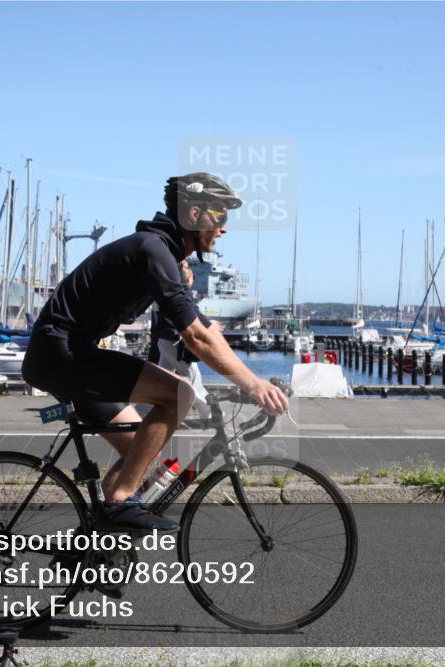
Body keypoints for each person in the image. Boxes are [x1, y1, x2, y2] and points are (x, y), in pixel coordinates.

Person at [22, 172, 288, 533]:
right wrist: (254, 385)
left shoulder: (163, 255)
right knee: (178, 394)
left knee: (141, 448)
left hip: (67, 353)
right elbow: (195, 337)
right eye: (220, 214)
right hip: (61, 354)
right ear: (194, 215)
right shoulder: (153, 251)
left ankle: (101, 539)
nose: (224, 227)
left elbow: (204, 326)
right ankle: (120, 502)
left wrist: (251, 379)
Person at [147, 260, 211, 424]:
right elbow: (186, 317)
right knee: (193, 378)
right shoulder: (179, 296)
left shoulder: (162, 294)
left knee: (159, 379)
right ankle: (210, 414)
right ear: (187, 279)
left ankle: (142, 410)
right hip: (174, 342)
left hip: (164, 341)